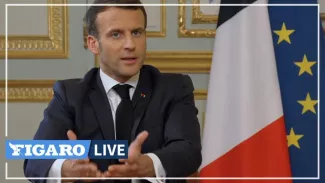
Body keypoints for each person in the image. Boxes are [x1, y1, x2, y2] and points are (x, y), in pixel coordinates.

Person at [23, 0, 202, 183]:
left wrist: (147, 165)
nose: (130, 44)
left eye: (136, 32)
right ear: (94, 44)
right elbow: (34, 161)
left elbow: (188, 150)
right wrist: (67, 169)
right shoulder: (70, 95)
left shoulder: (173, 88)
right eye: (116, 34)